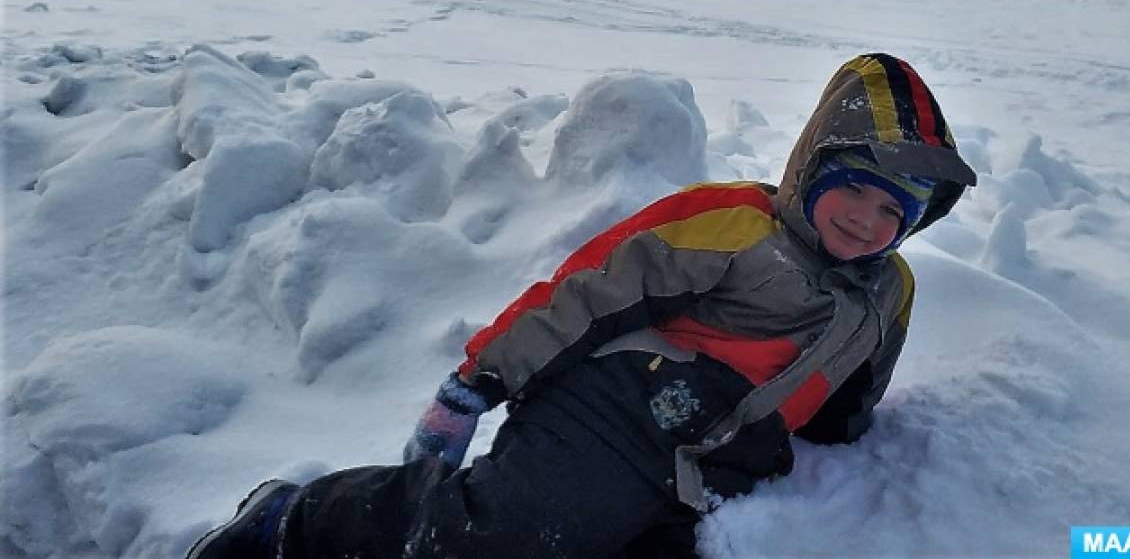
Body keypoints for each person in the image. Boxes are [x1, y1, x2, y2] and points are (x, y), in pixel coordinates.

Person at [186, 53, 977, 559]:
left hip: (706, 464)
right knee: (506, 532)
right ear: (814, 168)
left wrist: (839, 440)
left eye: (893, 212)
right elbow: (586, 290)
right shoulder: (734, 223)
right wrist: (475, 384)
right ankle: (292, 519)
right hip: (610, 411)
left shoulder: (889, 290)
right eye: (855, 192)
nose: (867, 221)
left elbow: (852, 393)